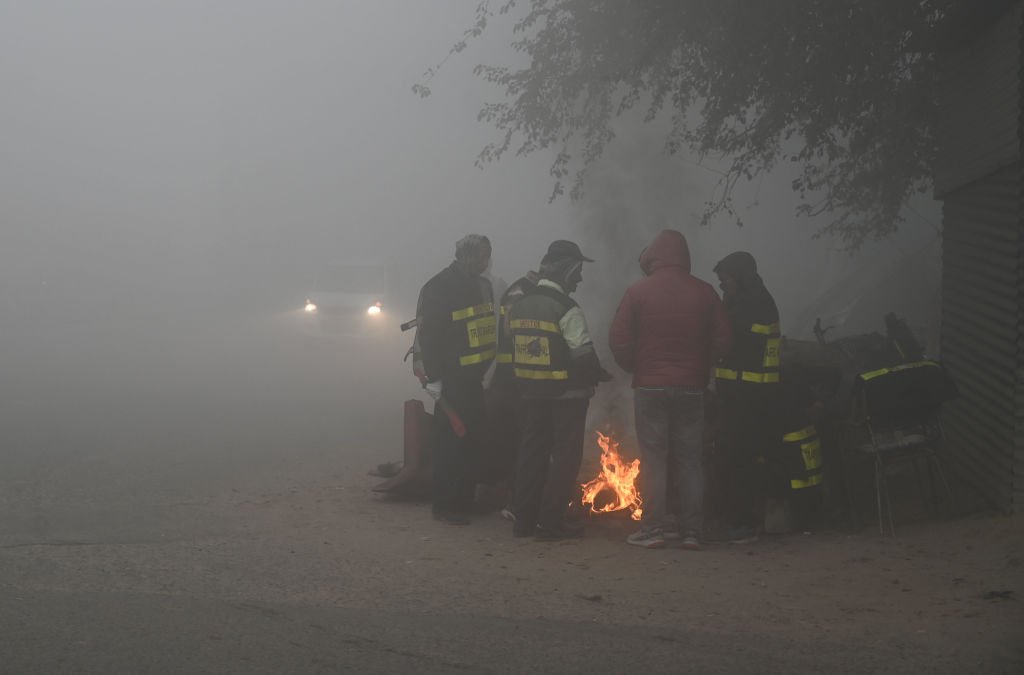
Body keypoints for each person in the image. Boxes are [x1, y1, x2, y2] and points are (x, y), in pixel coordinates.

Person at [608, 230, 732, 550]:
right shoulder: (705, 293)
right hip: (692, 387)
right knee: (691, 459)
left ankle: (653, 530)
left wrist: (637, 367)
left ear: (652, 257)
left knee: (654, 459)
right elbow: (723, 340)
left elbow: (619, 341)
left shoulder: (637, 292)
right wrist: (702, 367)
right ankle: (692, 531)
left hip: (650, 386)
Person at [508, 241, 610, 540]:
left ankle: (523, 521)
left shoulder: (520, 304)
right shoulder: (567, 308)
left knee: (531, 455)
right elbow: (583, 356)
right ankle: (551, 523)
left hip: (531, 393)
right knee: (565, 458)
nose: (579, 279)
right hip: (568, 396)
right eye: (577, 272)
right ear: (565, 271)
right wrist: (600, 374)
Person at [415, 234, 496, 525]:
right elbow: (430, 336)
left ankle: (465, 498)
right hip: (450, 380)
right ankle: (445, 504)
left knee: (473, 440)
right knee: (450, 442)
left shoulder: (482, 285)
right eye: (481, 256)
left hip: (475, 378)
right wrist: (435, 379)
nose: (486, 262)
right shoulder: (439, 287)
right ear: (464, 256)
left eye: (488, 256)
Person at [712, 251, 781, 543]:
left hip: (748, 398)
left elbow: (730, 342)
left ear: (740, 276)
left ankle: (742, 525)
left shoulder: (752, 305)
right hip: (742, 394)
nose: (721, 284)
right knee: (736, 458)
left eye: (725, 278)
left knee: (741, 460)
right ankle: (737, 520)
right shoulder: (749, 301)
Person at [483, 270, 540, 517]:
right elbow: (510, 332)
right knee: (521, 441)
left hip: (509, 381)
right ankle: (515, 501)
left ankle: (507, 494)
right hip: (513, 383)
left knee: (511, 440)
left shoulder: (520, 291)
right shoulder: (521, 294)